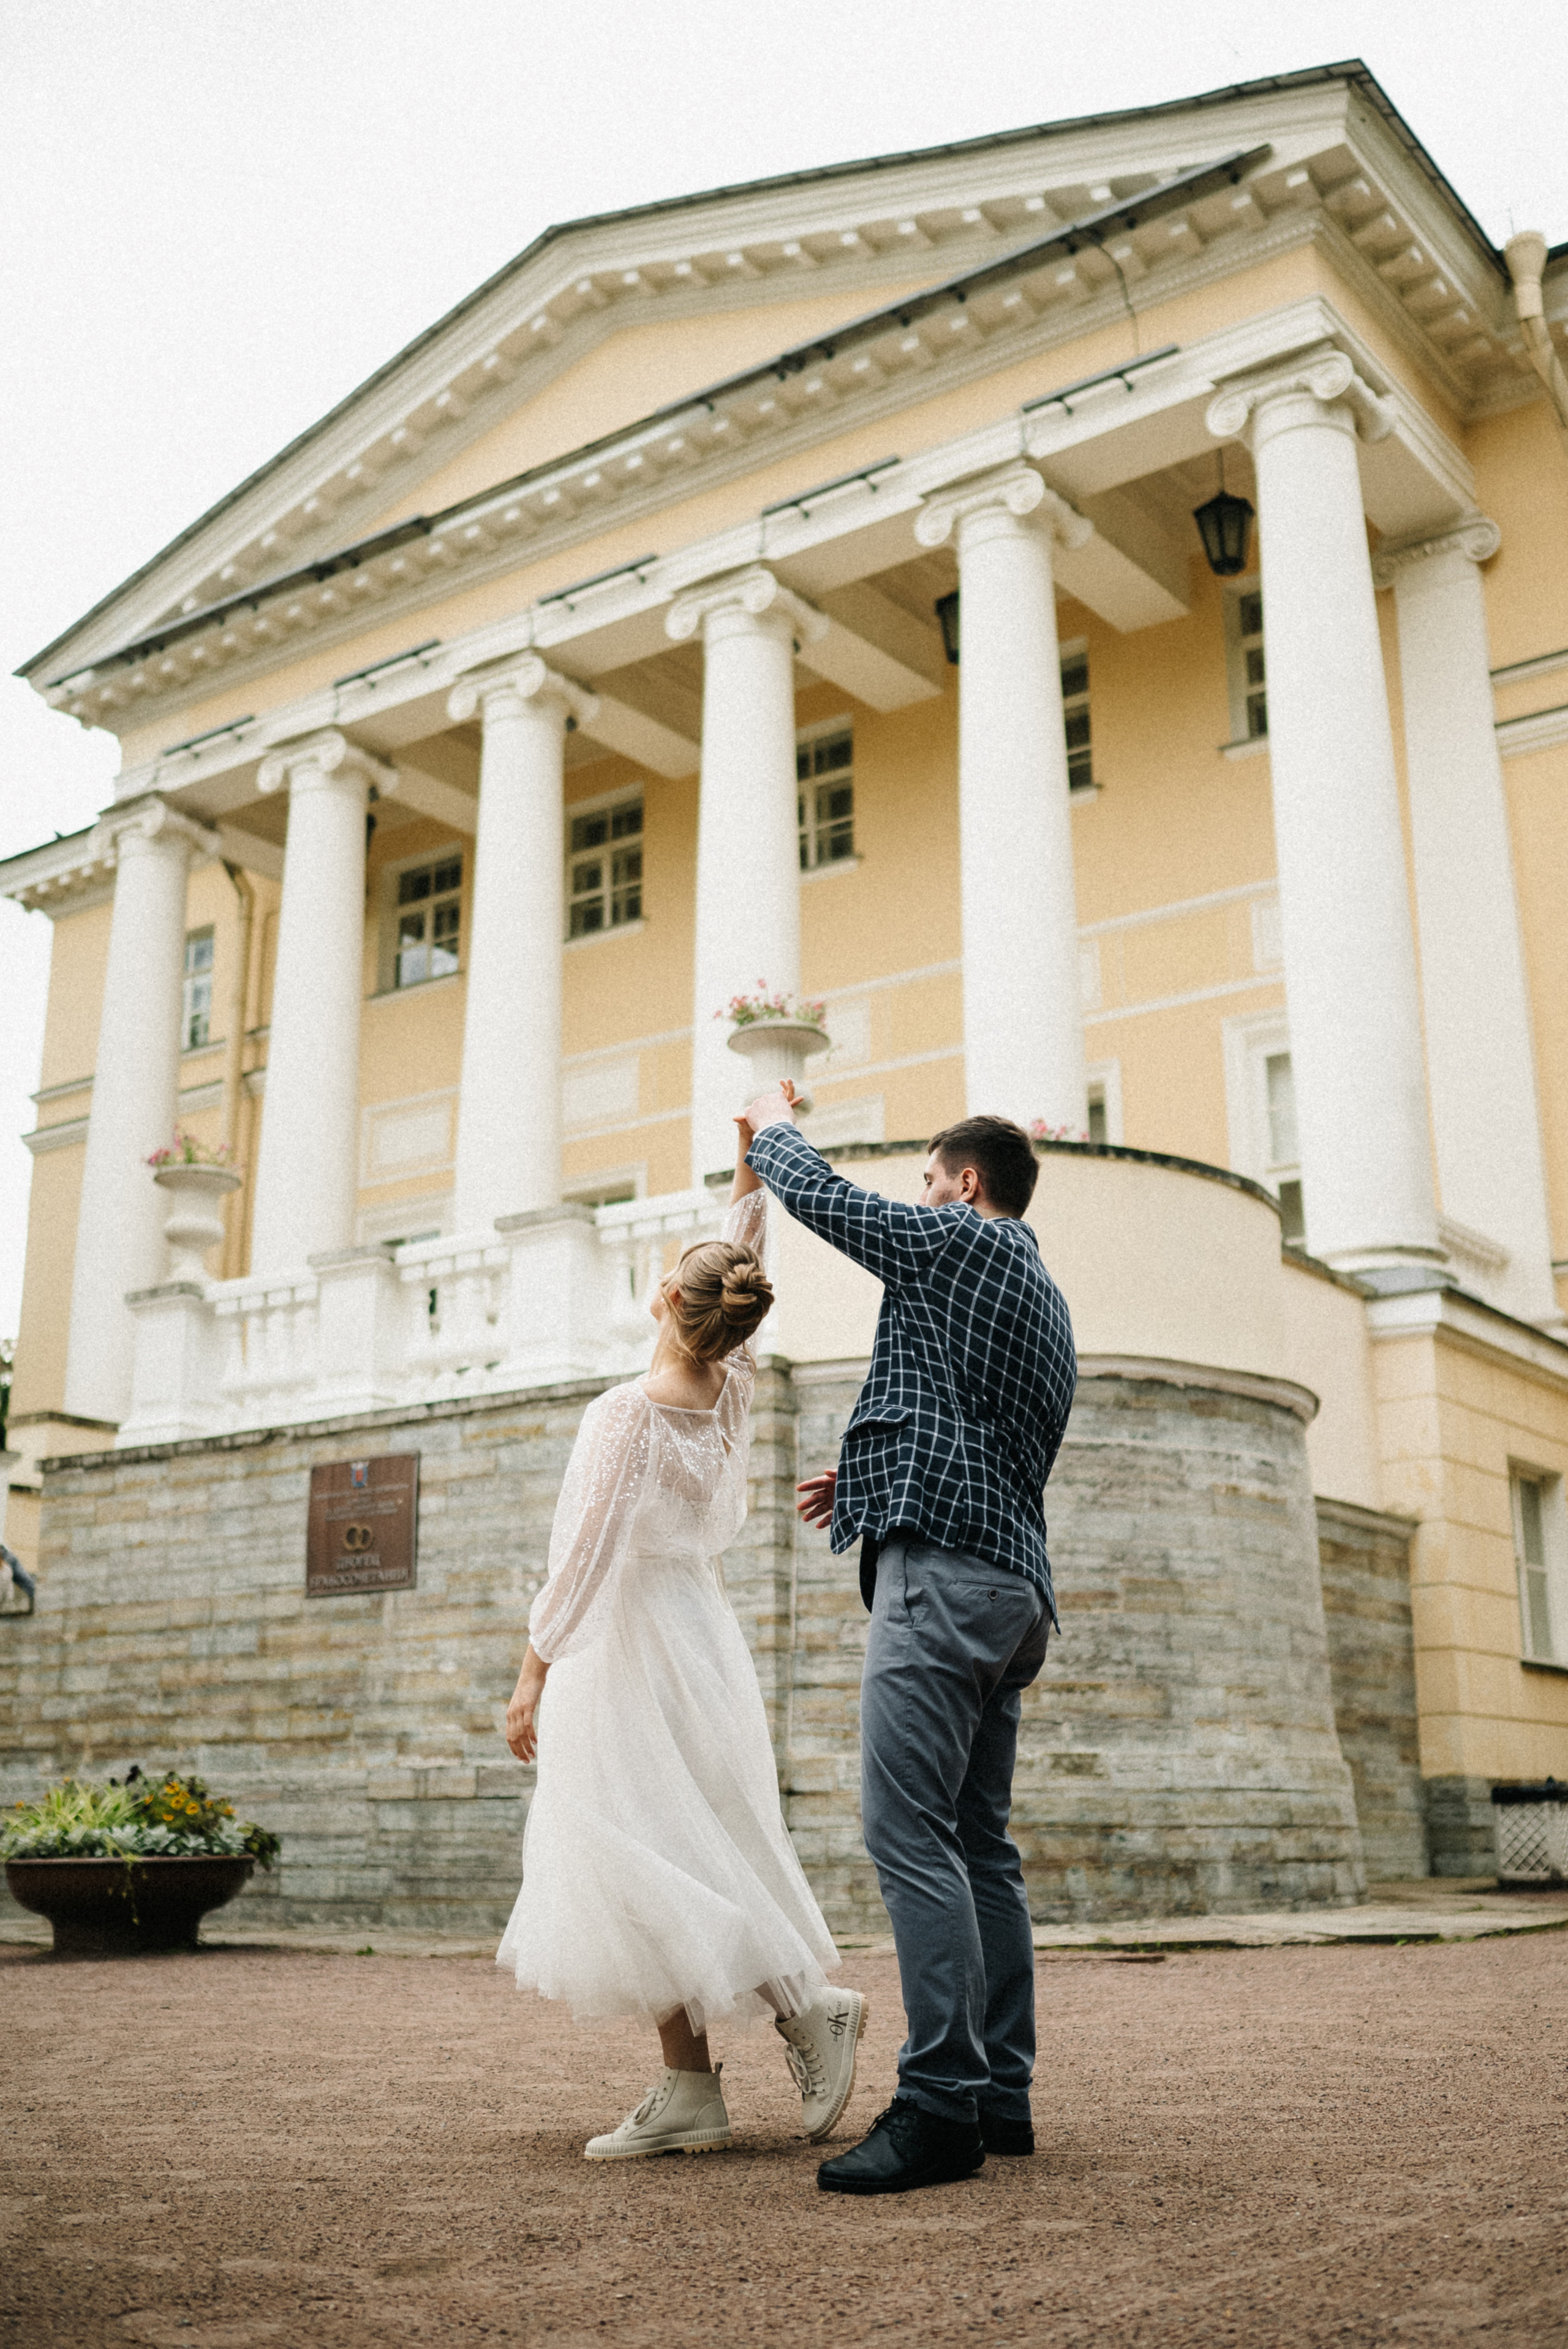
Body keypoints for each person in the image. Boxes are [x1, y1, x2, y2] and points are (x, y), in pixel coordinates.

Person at [497, 1100, 865, 2161]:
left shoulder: (628, 1412)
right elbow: (737, 1270)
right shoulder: (728, 1387)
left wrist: (531, 1674)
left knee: (635, 1851)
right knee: (687, 1837)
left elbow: (583, 1555)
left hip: (624, 1644)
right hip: (697, 1630)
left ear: (665, 1297)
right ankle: (695, 2082)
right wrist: (752, 1173)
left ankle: (799, 2012)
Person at [744, 1099, 1076, 2197]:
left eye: (931, 1180)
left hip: (943, 1580)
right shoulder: (1043, 1294)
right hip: (1008, 1586)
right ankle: (997, 2094)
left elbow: (833, 1205)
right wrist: (871, 1480)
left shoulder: (962, 1237)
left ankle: (938, 2105)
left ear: (966, 1184)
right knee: (980, 1843)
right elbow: (982, 1434)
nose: (923, 1197)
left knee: (908, 1831)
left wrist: (770, 1128)